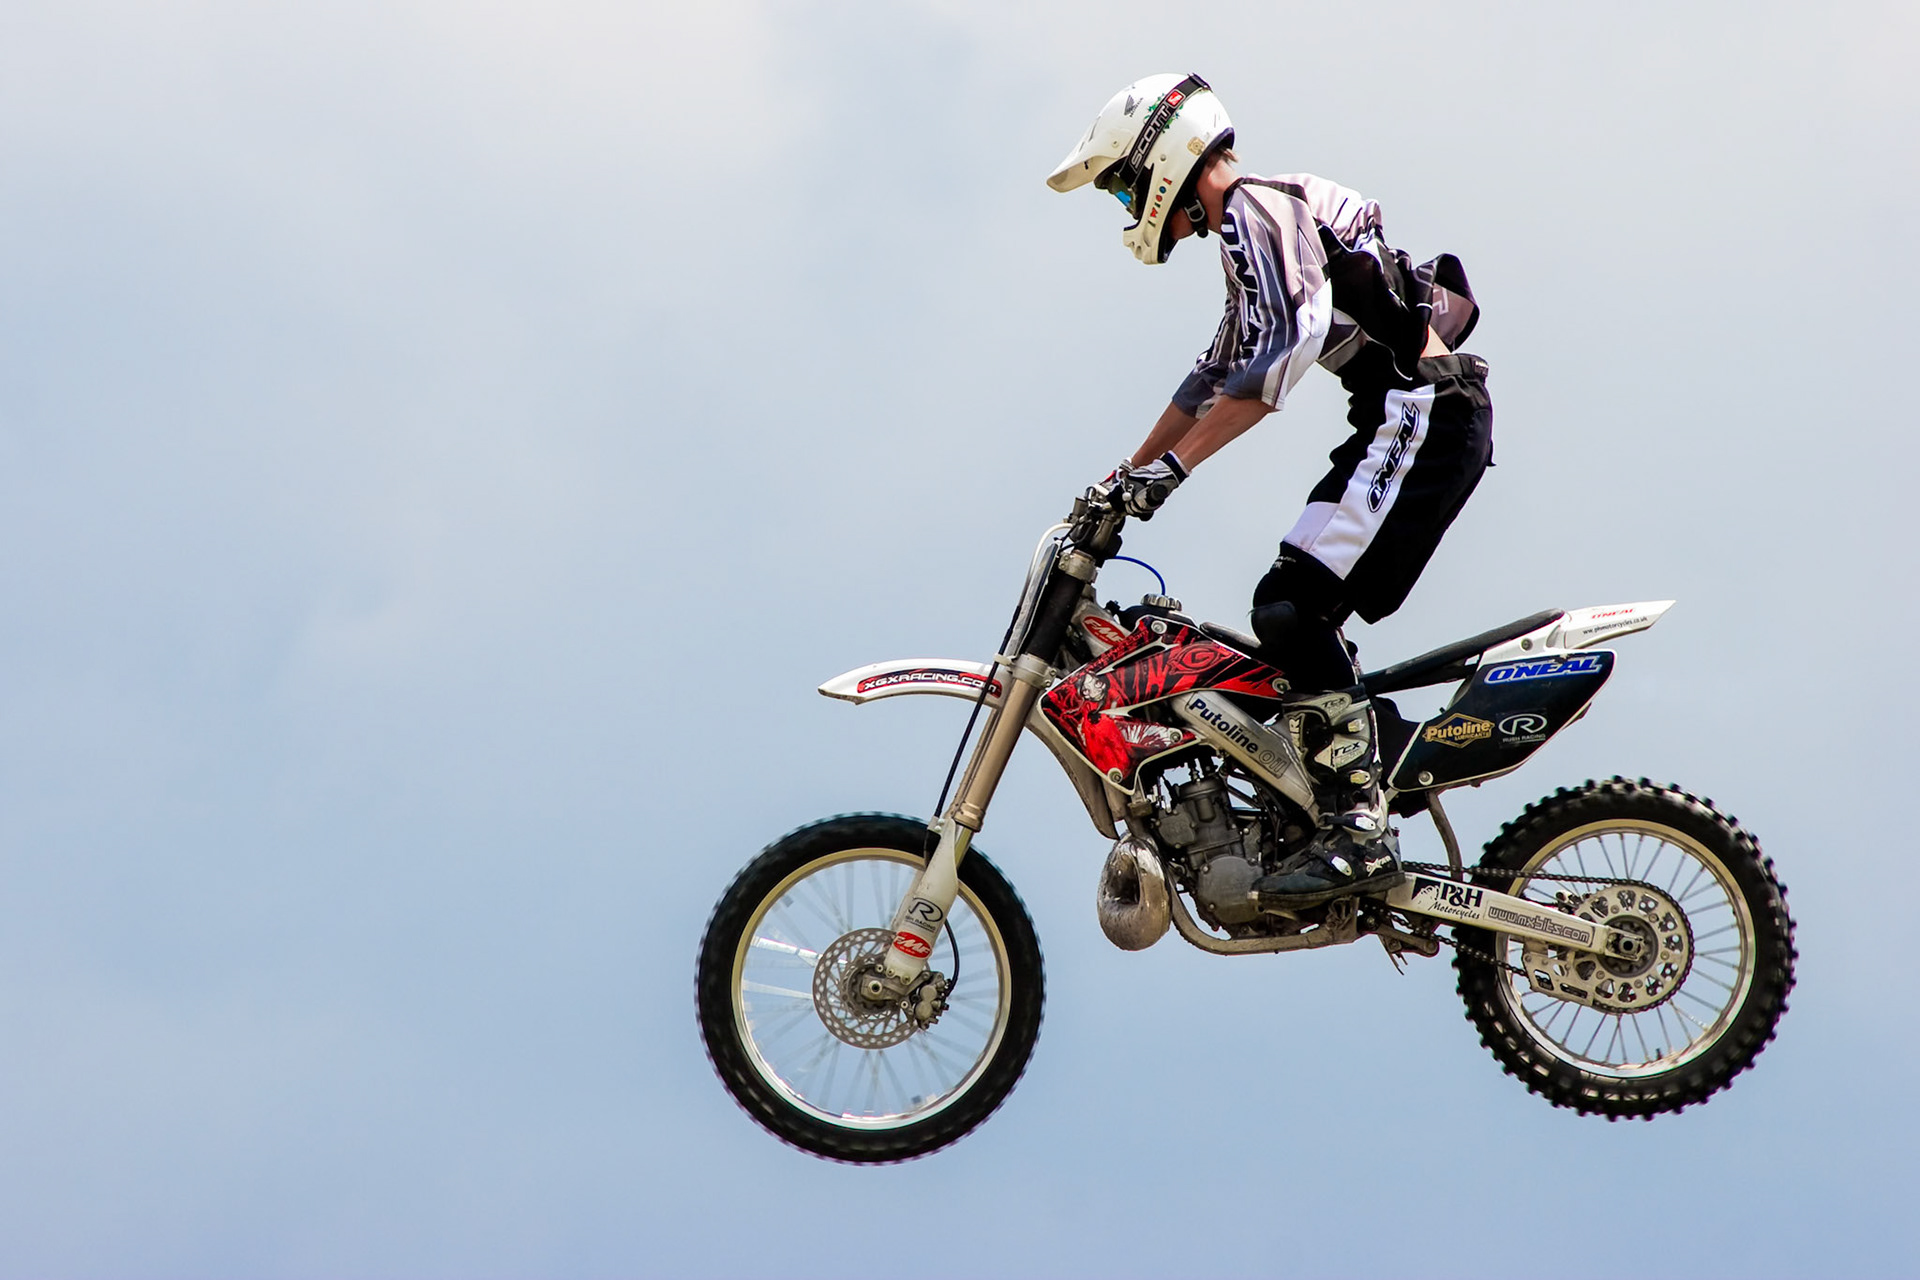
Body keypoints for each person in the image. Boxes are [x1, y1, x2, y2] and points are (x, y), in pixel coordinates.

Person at [1048, 73, 1492, 908]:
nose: (1127, 205)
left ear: (1161, 160)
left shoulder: (1258, 209)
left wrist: (1171, 473)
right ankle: (1365, 760)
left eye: (1123, 186)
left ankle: (1358, 828)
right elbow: (1211, 378)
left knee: (1291, 608)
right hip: (1399, 418)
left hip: (1424, 413)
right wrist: (1122, 477)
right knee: (1287, 612)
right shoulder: (1245, 230)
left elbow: (1280, 360)